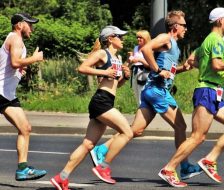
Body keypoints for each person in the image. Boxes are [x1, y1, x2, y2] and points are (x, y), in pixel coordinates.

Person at [89, 10, 202, 186]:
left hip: (152, 90)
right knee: (181, 126)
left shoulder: (174, 46)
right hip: (157, 91)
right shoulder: (166, 37)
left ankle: (102, 149)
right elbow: (146, 49)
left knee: (136, 130)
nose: (186, 29)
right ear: (175, 27)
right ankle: (181, 167)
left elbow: (167, 70)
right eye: (184, 26)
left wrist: (182, 69)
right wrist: (157, 70)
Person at [158, 7, 224, 187]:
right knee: (197, 137)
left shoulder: (210, 40)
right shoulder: (215, 40)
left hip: (214, 92)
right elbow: (216, 65)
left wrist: (201, 62)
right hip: (207, 91)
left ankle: (210, 160)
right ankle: (169, 169)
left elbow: (191, 60)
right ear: (219, 21)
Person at [50, 25, 132, 189]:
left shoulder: (118, 57)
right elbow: (82, 68)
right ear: (110, 38)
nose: (122, 39)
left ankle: (62, 177)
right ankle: (103, 167)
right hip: (101, 101)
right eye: (119, 36)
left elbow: (115, 83)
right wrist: (104, 73)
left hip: (107, 100)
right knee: (127, 132)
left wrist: (125, 77)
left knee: (88, 144)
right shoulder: (102, 53)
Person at [0, 13, 47, 181]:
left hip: (7, 95)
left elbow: (13, 66)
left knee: (25, 128)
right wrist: (34, 59)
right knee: (25, 128)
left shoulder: (16, 41)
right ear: (19, 25)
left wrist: (23, 68)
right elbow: (14, 62)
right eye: (30, 24)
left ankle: (22, 168)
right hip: (1, 92)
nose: (32, 28)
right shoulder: (15, 39)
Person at [129, 30, 151, 104]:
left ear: (146, 38)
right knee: (136, 94)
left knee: (142, 94)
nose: (138, 39)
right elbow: (132, 59)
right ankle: (140, 110)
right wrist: (131, 59)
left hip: (144, 73)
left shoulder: (149, 48)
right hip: (135, 72)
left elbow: (151, 65)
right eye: (137, 37)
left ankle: (143, 112)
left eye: (140, 37)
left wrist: (140, 60)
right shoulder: (136, 48)